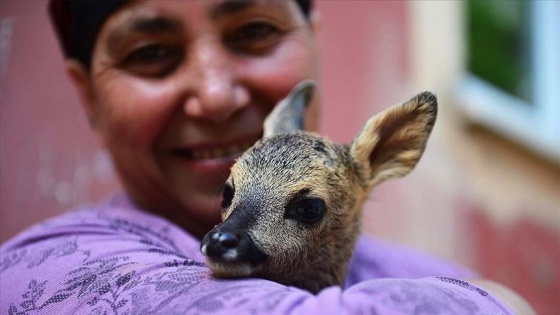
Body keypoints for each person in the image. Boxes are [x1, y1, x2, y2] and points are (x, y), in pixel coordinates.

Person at [0, 1, 534, 314]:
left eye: (255, 31)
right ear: (87, 94)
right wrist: (500, 302)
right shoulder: (52, 268)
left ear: (315, 39)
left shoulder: (414, 270)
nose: (215, 96)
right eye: (150, 53)